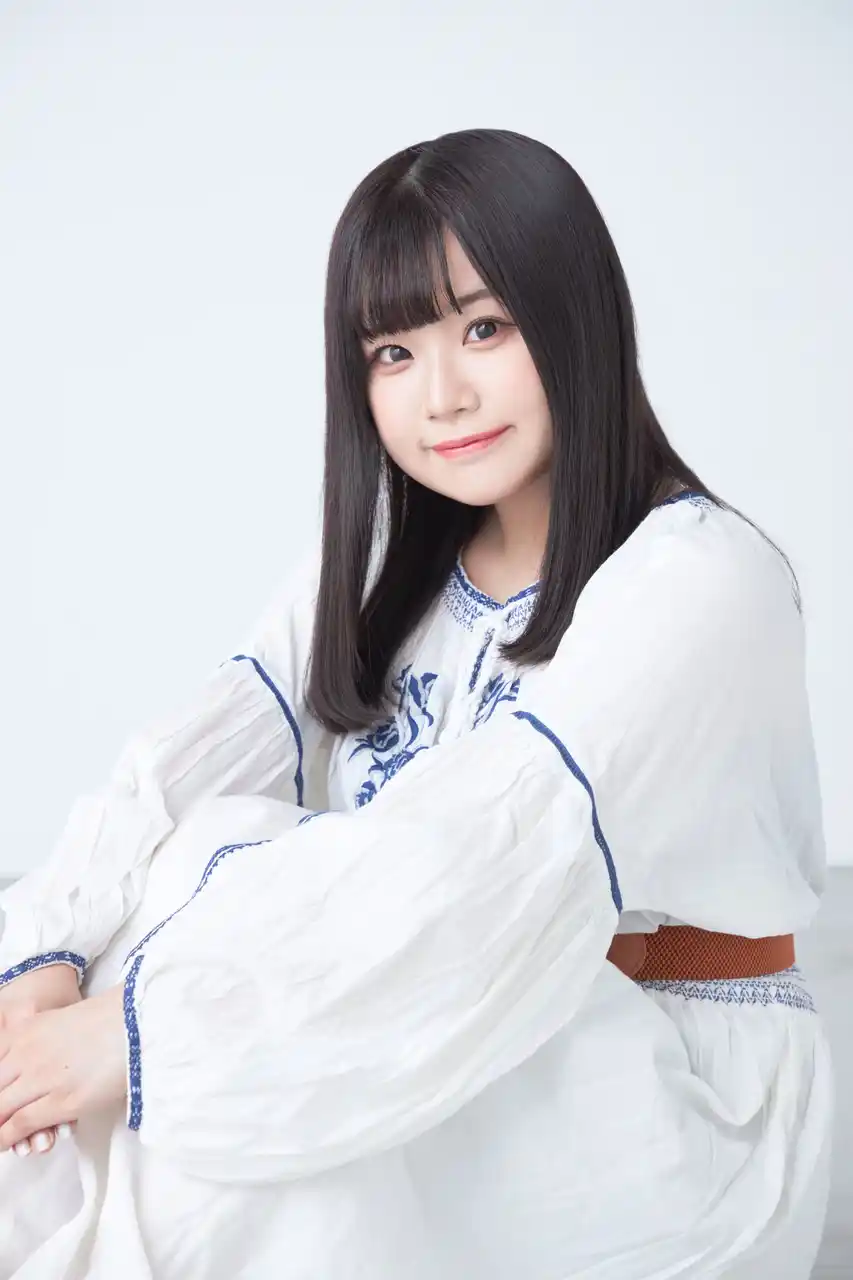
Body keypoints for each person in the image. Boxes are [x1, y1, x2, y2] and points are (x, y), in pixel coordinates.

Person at [0, 128, 832, 1279]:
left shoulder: (698, 577)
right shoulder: (386, 564)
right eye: (393, 351)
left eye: (484, 328)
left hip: (669, 1098)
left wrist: (144, 1035)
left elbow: (470, 877)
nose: (442, 394)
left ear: (575, 316)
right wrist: (45, 960)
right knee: (212, 877)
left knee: (232, 1121)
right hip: (428, 1030)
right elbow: (178, 773)